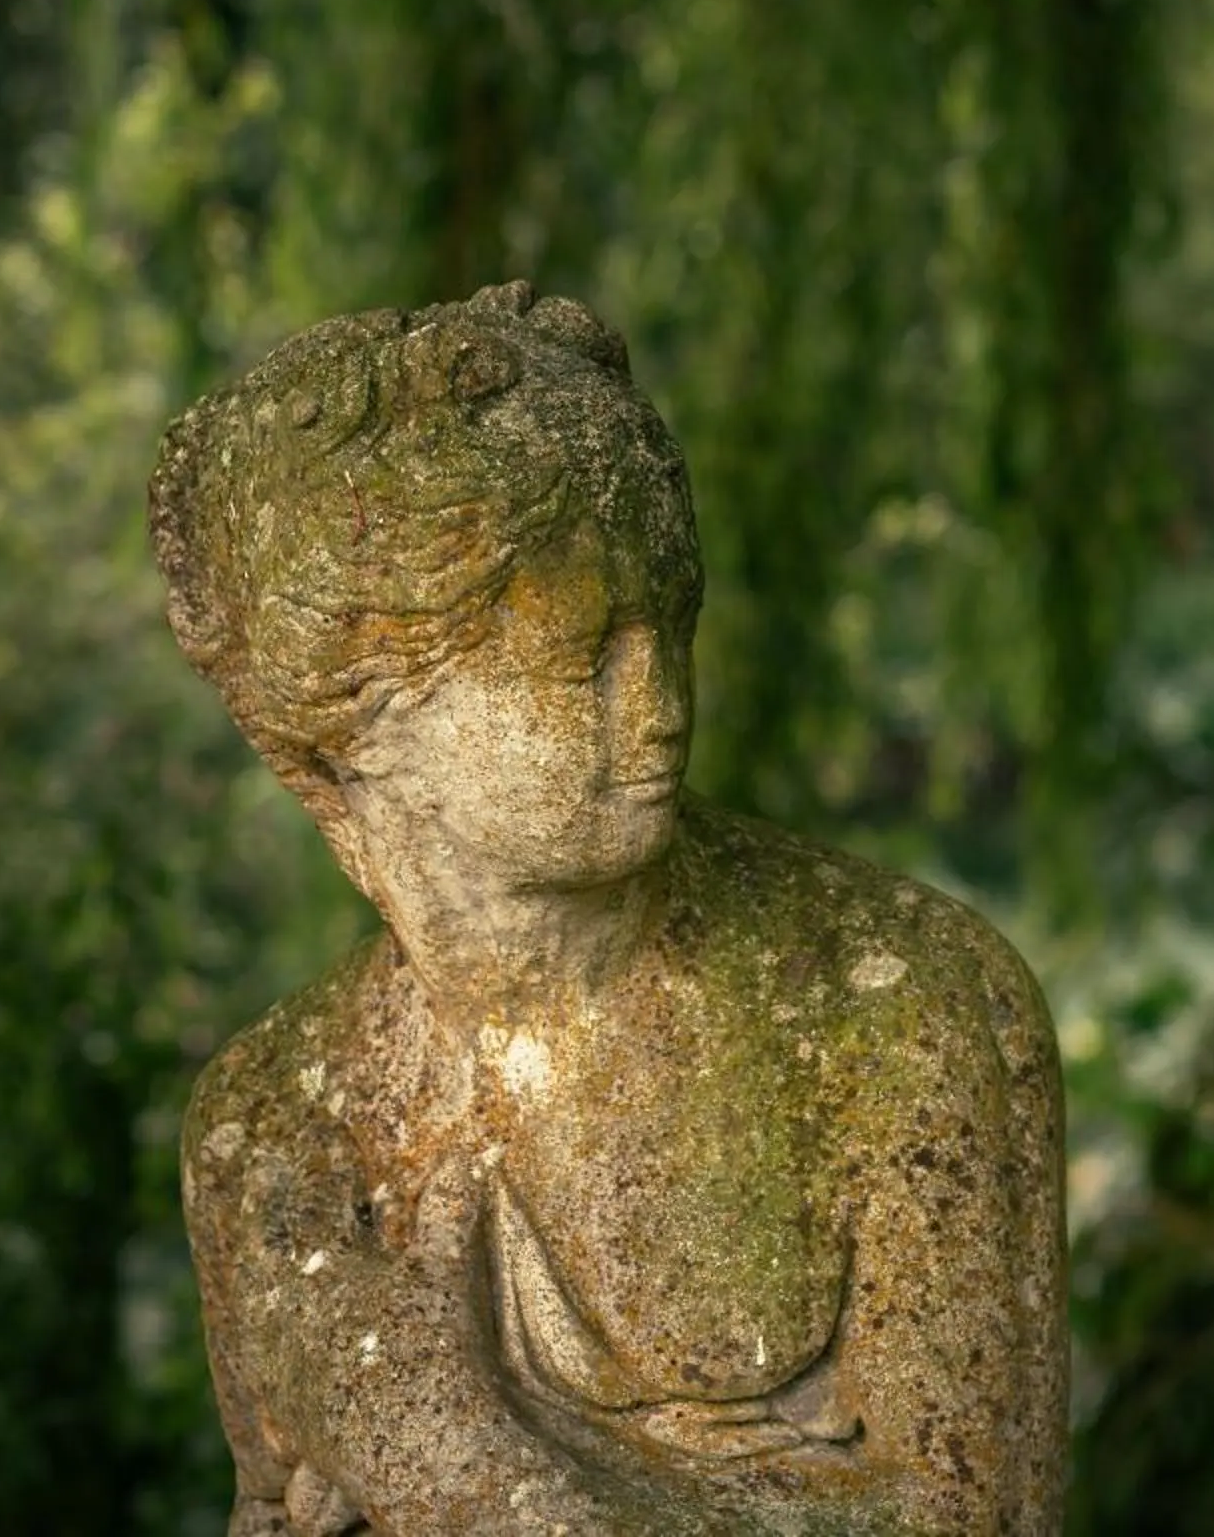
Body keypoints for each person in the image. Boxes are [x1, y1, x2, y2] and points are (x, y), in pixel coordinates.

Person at [152, 282, 1066, 1537]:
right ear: (357, 713)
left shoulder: (904, 1013)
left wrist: (466, 1475)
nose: (659, 696)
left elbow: (983, 1517)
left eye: (671, 623)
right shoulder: (272, 1128)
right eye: (582, 652)